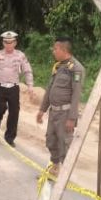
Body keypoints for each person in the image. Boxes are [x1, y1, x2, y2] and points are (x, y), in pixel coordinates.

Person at [36, 38, 84, 170]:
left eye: (55, 49)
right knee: (51, 140)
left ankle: (65, 172)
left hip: (65, 113)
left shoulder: (76, 68)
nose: (53, 51)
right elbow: (49, 89)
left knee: (64, 143)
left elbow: (76, 94)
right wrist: (42, 110)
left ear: (64, 50)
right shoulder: (58, 66)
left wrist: (72, 118)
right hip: (54, 112)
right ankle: (55, 167)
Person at [0, 30, 34, 145]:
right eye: (6, 42)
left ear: (15, 43)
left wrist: (30, 85)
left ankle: (10, 138)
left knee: (14, 113)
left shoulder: (20, 55)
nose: (8, 45)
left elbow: (27, 70)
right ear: (3, 43)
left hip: (13, 88)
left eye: (11, 42)